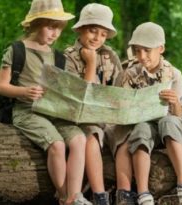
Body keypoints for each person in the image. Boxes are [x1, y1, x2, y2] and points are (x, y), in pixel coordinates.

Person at [0, 1, 91, 205]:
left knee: (79, 140)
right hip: (27, 111)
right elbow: (1, 86)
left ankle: (76, 196)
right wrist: (24, 91)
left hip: (53, 111)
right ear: (35, 24)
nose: (55, 33)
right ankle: (66, 196)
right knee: (56, 144)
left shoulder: (57, 57)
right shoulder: (17, 50)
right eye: (50, 26)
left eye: (58, 28)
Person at [107, 22, 182, 205]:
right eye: (137, 51)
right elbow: (121, 111)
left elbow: (179, 114)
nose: (142, 56)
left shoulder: (173, 74)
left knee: (168, 123)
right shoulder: (130, 74)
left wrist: (174, 102)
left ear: (161, 48)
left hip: (169, 121)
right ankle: (143, 192)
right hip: (143, 123)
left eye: (147, 51)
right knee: (140, 130)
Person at [64, 3, 122, 205]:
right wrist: (90, 64)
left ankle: (128, 193)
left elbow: (120, 88)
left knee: (126, 137)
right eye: (92, 31)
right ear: (80, 29)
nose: (97, 38)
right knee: (91, 136)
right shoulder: (68, 57)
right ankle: (100, 196)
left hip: (108, 115)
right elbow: (82, 97)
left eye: (103, 34)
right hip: (82, 117)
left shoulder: (110, 55)